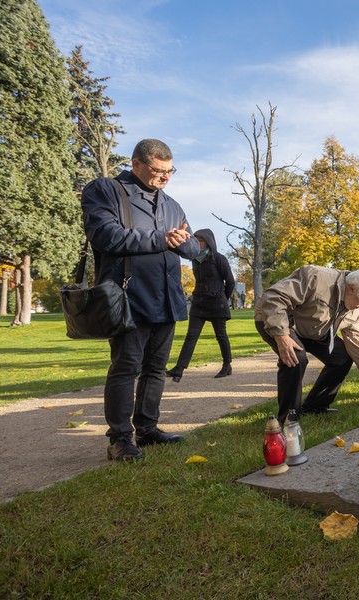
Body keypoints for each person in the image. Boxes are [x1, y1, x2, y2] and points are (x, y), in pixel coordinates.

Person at [80, 139, 199, 461]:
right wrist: (162, 238)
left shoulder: (171, 204)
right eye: (159, 171)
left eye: (170, 171)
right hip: (128, 297)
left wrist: (183, 244)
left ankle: (147, 429)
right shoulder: (106, 191)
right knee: (126, 368)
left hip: (167, 297)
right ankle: (119, 438)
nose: (166, 177)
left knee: (156, 369)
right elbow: (106, 236)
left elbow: (194, 250)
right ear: (136, 164)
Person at [254, 266, 359, 421]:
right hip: (279, 320)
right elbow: (273, 297)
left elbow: (356, 342)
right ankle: (289, 418)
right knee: (295, 357)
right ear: (351, 288)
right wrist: (281, 336)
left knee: (342, 357)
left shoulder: (356, 309)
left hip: (314, 329)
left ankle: (315, 406)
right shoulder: (316, 277)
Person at [166, 229, 235, 382]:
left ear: (209, 241)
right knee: (191, 336)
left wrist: (223, 297)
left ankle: (227, 365)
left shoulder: (219, 258)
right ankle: (179, 368)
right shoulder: (195, 259)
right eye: (195, 240)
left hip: (217, 303)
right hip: (199, 304)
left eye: (201, 240)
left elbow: (230, 282)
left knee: (221, 335)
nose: (198, 243)